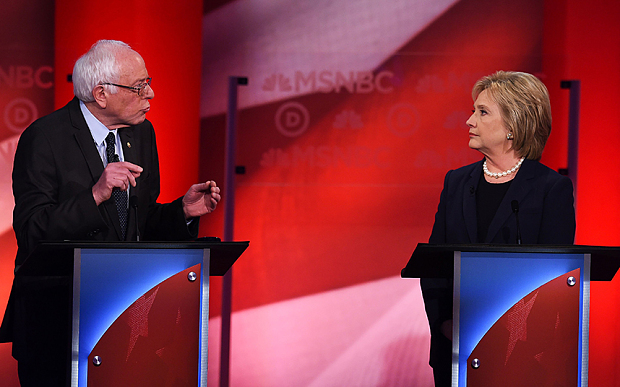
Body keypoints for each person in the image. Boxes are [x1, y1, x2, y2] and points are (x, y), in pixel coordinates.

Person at [0, 40, 221, 386]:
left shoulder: (142, 133)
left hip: (125, 322)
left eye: (147, 82)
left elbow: (138, 226)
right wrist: (95, 195)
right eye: (139, 86)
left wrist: (183, 212)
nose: (150, 94)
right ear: (101, 93)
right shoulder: (44, 138)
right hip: (57, 324)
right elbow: (32, 232)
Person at [420, 71, 576, 386]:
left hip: (523, 355)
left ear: (512, 126)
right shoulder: (456, 182)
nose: (469, 120)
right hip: (456, 349)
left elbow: (555, 277)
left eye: (482, 112)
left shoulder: (551, 188)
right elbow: (433, 266)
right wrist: (445, 325)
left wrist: (516, 336)